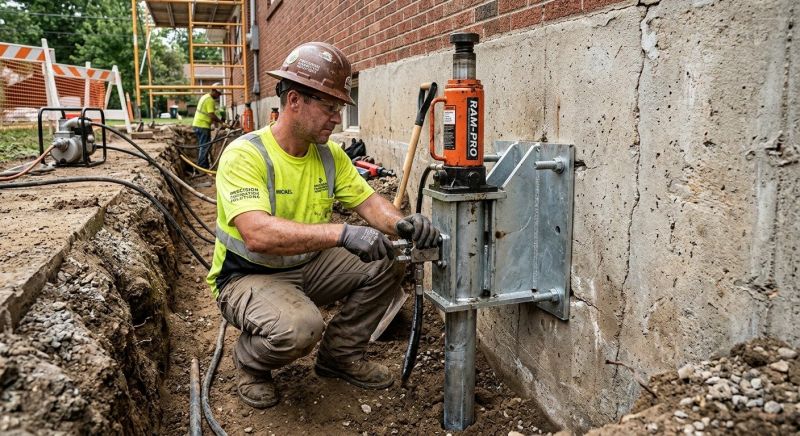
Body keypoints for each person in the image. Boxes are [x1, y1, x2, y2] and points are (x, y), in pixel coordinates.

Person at [206, 41, 440, 409]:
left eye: (339, 109)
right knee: (301, 328)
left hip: (308, 265)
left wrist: (404, 225)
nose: (336, 118)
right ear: (294, 100)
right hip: (248, 275)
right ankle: (250, 363)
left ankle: (339, 357)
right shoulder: (246, 155)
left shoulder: (329, 155)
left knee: (390, 257)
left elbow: (369, 203)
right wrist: (341, 233)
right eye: (330, 108)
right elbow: (257, 234)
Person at [192, 82, 222, 169]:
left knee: (203, 146)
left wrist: (215, 125)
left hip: (197, 125)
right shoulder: (210, 100)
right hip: (202, 126)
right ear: (214, 91)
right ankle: (202, 167)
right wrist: (221, 122)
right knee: (204, 147)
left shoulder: (205, 97)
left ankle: (204, 165)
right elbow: (211, 115)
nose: (219, 96)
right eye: (218, 94)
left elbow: (209, 114)